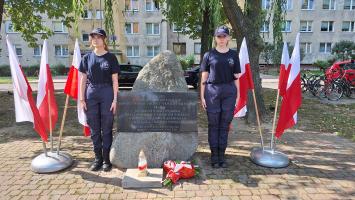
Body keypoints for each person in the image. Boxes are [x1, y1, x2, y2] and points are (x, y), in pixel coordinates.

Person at [79, 28, 120, 172]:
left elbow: (115, 81)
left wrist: (115, 100)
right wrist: (81, 98)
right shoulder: (86, 58)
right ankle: (97, 159)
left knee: (107, 128)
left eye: (99, 37)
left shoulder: (111, 58)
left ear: (104, 40)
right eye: (93, 37)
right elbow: (83, 80)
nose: (95, 39)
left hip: (107, 93)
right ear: (91, 40)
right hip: (91, 94)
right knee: (94, 129)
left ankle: (106, 160)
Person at [200, 26, 241, 168]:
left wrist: (238, 95)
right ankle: (214, 155)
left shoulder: (233, 55)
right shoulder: (209, 55)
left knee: (224, 125)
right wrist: (202, 96)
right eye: (219, 36)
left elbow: (236, 77)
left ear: (228, 38)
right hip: (212, 91)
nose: (221, 39)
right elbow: (204, 77)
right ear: (215, 38)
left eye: (224, 36)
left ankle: (221, 155)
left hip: (229, 92)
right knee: (213, 124)